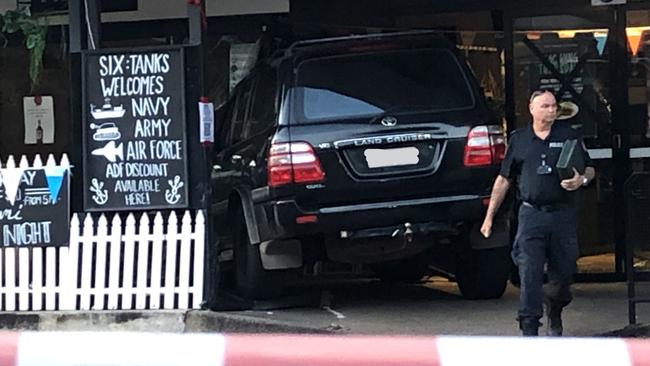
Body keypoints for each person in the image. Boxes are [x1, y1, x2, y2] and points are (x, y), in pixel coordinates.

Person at [480, 90, 595, 336]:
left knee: (564, 274)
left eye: (554, 106)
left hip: (562, 215)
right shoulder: (519, 140)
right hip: (531, 215)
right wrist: (489, 217)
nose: (551, 111)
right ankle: (529, 328)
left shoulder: (568, 136)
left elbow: (590, 169)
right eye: (545, 106)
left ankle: (554, 305)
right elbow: (503, 180)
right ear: (531, 109)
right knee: (529, 273)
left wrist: (581, 179)